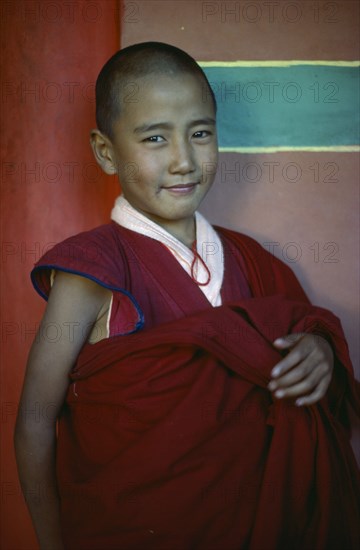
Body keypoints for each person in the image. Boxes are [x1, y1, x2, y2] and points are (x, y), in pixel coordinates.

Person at [15, 42, 359, 550]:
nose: (183, 160)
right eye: (155, 138)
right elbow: (35, 420)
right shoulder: (92, 271)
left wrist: (319, 354)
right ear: (106, 152)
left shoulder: (255, 263)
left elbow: (308, 349)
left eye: (200, 134)